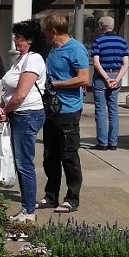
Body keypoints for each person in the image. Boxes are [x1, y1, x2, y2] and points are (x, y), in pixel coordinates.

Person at [39, 12, 90, 213]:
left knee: (68, 155)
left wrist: (56, 84)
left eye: (45, 32)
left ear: (53, 31)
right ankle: (51, 196)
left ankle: (72, 198)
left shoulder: (75, 49)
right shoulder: (53, 49)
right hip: (51, 108)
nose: (44, 35)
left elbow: (84, 78)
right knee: (50, 155)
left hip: (68, 110)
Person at [0, 20, 48, 222]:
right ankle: (27, 209)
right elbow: (9, 89)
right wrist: (3, 107)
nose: (15, 41)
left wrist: (6, 109)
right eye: (15, 37)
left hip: (27, 113)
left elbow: (20, 94)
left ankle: (28, 211)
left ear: (30, 40)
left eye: (19, 38)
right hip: (17, 113)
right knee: (20, 162)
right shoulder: (20, 59)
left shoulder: (33, 60)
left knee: (24, 163)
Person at [90, 16, 129, 150]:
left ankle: (102, 142)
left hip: (102, 77)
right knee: (113, 110)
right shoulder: (122, 42)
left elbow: (96, 63)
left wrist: (107, 78)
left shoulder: (98, 41)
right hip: (117, 75)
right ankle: (113, 142)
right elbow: (126, 64)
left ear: (101, 27)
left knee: (101, 110)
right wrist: (116, 79)